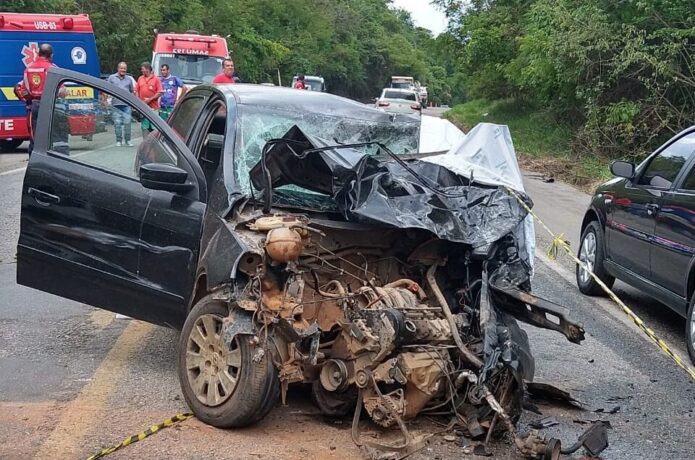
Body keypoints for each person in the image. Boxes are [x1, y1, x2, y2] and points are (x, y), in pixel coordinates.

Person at [23, 43, 57, 155]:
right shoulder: (53, 69)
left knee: (35, 138)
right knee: (49, 137)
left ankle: (33, 162)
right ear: (50, 55)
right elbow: (61, 91)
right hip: (49, 106)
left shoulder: (29, 68)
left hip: (34, 105)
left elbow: (25, 89)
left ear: (38, 53)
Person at [106, 62, 135, 147]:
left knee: (127, 123)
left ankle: (128, 140)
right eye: (121, 68)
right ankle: (119, 140)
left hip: (126, 105)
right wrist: (106, 101)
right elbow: (106, 89)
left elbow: (131, 91)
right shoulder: (112, 78)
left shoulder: (129, 79)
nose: (123, 70)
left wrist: (132, 103)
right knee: (117, 123)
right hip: (115, 105)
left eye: (124, 68)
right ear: (118, 69)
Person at [135, 62, 163, 139]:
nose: (142, 71)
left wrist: (150, 99)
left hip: (154, 108)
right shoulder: (140, 78)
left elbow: (160, 92)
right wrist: (138, 100)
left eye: (143, 69)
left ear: (147, 69)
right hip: (143, 107)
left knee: (154, 127)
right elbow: (136, 90)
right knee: (144, 127)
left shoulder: (156, 79)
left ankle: (154, 144)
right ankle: (145, 143)